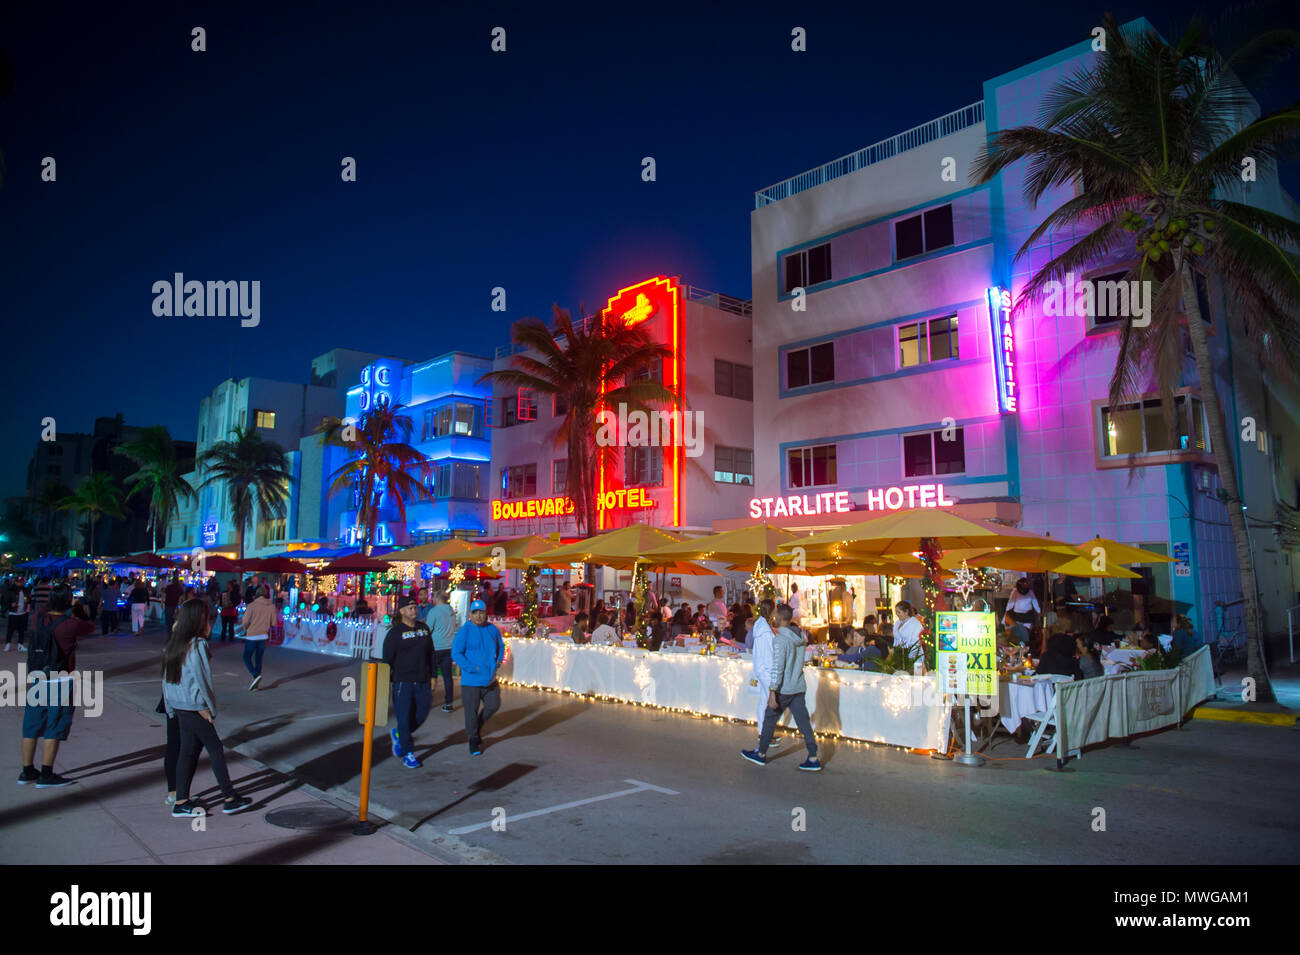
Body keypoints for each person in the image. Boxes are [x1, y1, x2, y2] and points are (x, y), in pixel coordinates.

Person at [163, 598, 252, 816]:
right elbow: (202, 679)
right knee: (215, 748)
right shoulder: (197, 645)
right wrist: (208, 707)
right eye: (207, 617)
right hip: (194, 705)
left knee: (187, 751)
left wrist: (170, 706)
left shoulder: (175, 643)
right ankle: (229, 797)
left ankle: (181, 800)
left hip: (179, 705)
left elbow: (165, 679)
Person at [18, 585, 95, 788]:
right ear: (69, 601)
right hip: (61, 680)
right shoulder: (70, 624)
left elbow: (42, 612)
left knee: (31, 724)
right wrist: (77, 609)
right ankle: (46, 774)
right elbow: (89, 626)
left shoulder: (38, 618)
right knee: (54, 725)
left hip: (38, 677)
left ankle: (27, 771)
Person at [742, 604, 820, 771]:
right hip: (798, 686)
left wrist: (772, 691)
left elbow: (778, 666)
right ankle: (813, 756)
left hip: (784, 688)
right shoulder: (799, 636)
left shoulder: (780, 640)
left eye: (775, 615)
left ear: (780, 618)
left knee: (770, 718)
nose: (773, 618)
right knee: (804, 723)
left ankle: (761, 754)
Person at [382, 595, 435, 769]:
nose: (414, 610)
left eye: (415, 607)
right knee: (404, 717)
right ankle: (408, 752)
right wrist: (386, 679)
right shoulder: (395, 633)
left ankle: (399, 734)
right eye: (410, 608)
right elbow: (387, 658)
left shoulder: (424, 629)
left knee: (422, 713)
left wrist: (433, 676)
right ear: (402, 611)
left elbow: (431, 654)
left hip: (422, 680)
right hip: (402, 681)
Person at [452, 599, 505, 756]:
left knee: (493, 704)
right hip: (471, 681)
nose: (478, 616)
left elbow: (500, 645)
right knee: (471, 712)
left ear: (486, 613)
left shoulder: (492, 629)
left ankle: (477, 726)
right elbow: (456, 653)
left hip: (490, 679)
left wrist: (498, 660)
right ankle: (473, 740)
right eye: (475, 613)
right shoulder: (464, 631)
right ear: (470, 614)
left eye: (481, 612)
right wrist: (471, 668)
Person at [424, 590, 458, 712]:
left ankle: (425, 702)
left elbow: (428, 628)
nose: (432, 600)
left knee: (430, 675)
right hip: (449, 647)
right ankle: (449, 703)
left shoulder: (434, 611)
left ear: (437, 598)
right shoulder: (451, 611)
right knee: (447, 677)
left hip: (435, 647)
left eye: (433, 597)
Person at [240, 584, 274, 690]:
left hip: (252, 636)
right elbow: (273, 623)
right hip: (263, 635)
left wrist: (246, 628)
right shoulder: (271, 606)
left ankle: (255, 675)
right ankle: (256, 684)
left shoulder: (251, 606)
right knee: (259, 659)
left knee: (246, 657)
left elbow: (245, 621)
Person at [5, 581, 28, 651]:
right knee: (10, 630)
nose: (20, 584)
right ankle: (8, 644)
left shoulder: (25, 590)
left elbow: (28, 599)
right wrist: (11, 605)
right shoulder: (11, 591)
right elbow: (6, 601)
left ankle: (20, 645)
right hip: (13, 613)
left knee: (21, 630)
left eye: (22, 582)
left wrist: (27, 601)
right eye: (19, 582)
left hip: (22, 613)